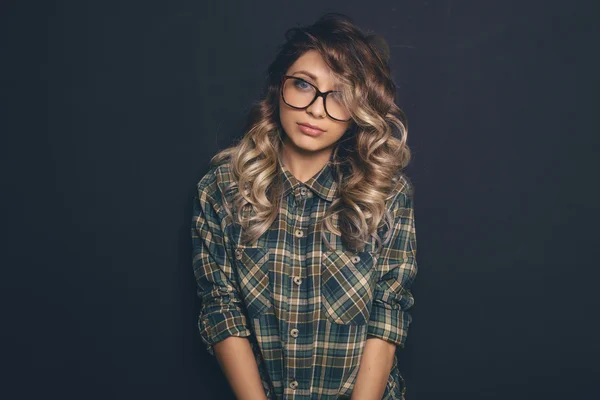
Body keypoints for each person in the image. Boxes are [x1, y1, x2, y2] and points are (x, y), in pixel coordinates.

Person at [191, 12, 418, 400]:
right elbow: (221, 311)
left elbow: (388, 312)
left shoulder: (387, 194)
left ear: (359, 110)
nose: (316, 109)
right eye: (303, 85)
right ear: (278, 88)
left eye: (341, 94)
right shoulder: (221, 190)